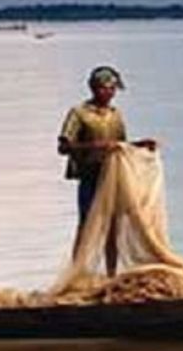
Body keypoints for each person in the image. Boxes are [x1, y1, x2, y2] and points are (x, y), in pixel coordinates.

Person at [57, 66, 157, 273]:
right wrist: (97, 146)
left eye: (112, 89)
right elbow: (63, 147)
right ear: (94, 88)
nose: (109, 93)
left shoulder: (115, 115)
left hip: (111, 177)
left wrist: (140, 144)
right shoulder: (79, 114)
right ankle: (77, 273)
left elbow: (121, 146)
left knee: (113, 226)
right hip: (90, 176)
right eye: (105, 88)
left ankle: (112, 274)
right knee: (87, 225)